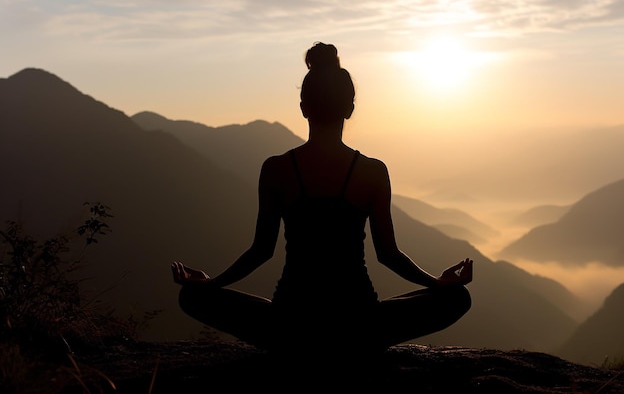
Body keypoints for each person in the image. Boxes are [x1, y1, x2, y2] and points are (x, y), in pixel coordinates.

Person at [171, 42, 473, 361]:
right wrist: (437, 283)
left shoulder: (276, 170)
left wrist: (212, 283)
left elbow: (261, 251)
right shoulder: (372, 172)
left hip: (289, 325)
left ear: (303, 107)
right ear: (350, 109)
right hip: (360, 324)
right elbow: (389, 255)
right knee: (457, 299)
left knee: (192, 298)